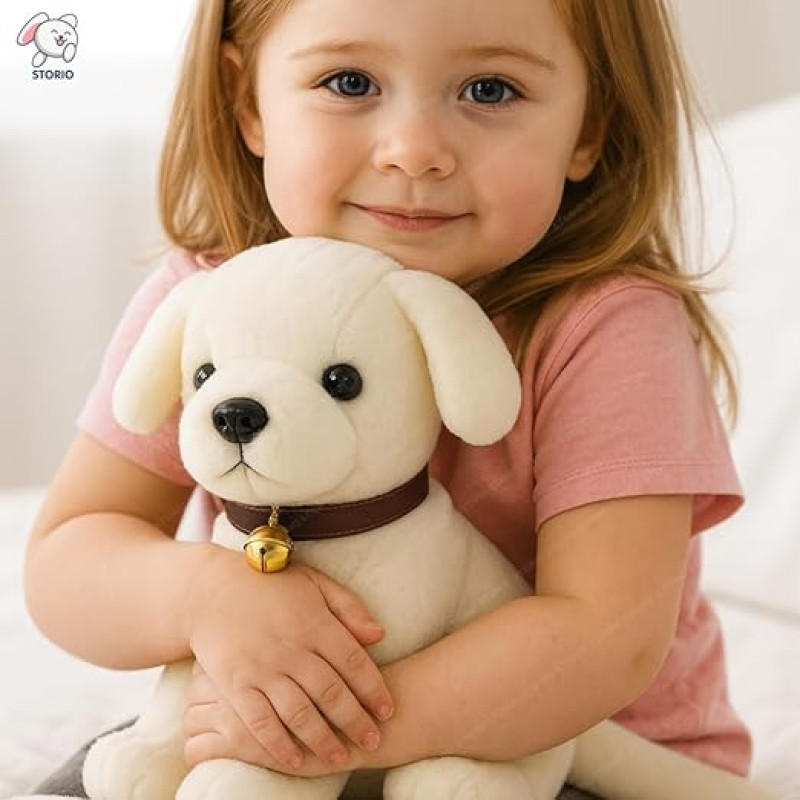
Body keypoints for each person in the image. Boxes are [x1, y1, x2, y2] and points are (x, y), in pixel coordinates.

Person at [25, 0, 753, 796]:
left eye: (490, 90)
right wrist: (203, 596)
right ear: (247, 102)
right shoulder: (217, 300)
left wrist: (335, 732)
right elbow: (70, 558)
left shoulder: (609, 327)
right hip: (264, 736)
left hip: (570, 755)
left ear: (589, 126)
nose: (415, 151)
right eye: (350, 82)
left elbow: (605, 639)